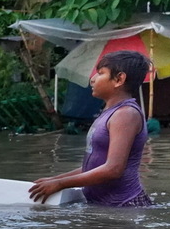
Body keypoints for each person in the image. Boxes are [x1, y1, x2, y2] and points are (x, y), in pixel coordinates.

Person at [29, 50, 152, 207]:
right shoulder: (109, 113)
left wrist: (61, 184)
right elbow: (93, 166)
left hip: (125, 206)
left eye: (100, 73)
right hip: (105, 205)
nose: (92, 79)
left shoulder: (126, 114)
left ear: (119, 79)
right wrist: (54, 180)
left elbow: (113, 169)